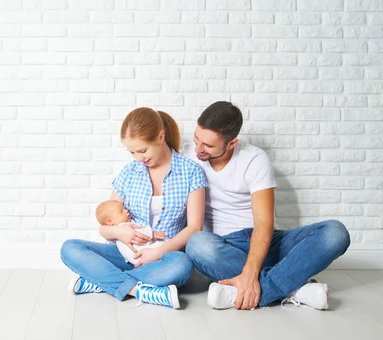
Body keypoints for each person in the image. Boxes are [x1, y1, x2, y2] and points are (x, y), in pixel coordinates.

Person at [183, 101, 351, 310]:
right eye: (197, 138)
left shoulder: (254, 159)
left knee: (336, 233)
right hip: (221, 247)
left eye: (208, 145)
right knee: (197, 244)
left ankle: (251, 291)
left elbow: (264, 222)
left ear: (232, 143)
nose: (199, 149)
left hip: (260, 241)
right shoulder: (187, 154)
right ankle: (295, 289)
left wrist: (251, 275)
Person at [60, 107, 207, 309]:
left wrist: (157, 253)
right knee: (70, 248)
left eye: (143, 150)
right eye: (132, 152)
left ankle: (101, 282)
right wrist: (120, 232)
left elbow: (194, 227)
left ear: (161, 136)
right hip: (124, 255)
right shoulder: (129, 173)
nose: (138, 158)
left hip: (163, 258)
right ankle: (140, 290)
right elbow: (105, 226)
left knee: (182, 265)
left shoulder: (191, 172)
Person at [95, 199, 167, 265]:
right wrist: (152, 234)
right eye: (121, 211)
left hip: (134, 259)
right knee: (164, 242)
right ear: (110, 221)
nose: (126, 210)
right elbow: (140, 232)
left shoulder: (114, 233)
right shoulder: (124, 226)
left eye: (125, 208)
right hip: (143, 254)